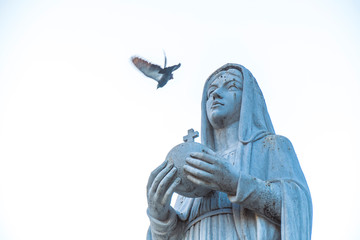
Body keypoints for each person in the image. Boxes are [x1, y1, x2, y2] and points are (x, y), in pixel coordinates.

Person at [146, 63, 312, 239]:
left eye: (231, 86)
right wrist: (160, 217)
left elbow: (296, 206)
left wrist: (235, 183)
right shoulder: (193, 164)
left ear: (249, 98)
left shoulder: (271, 146)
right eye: (210, 92)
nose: (216, 95)